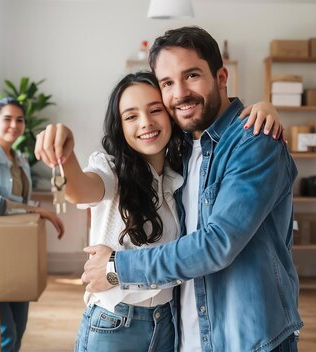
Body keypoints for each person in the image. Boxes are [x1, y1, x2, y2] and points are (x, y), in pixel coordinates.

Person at [80, 26, 302, 352]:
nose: (179, 93)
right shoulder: (183, 147)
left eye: (192, 75)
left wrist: (117, 268)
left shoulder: (254, 140)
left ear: (222, 77)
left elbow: (217, 243)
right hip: (189, 336)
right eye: (167, 83)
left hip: (249, 342)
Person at [35, 71, 282, 351]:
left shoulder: (182, 171)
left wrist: (265, 108)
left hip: (167, 323)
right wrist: (66, 156)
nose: (146, 123)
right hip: (115, 323)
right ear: (119, 126)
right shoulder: (112, 170)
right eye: (131, 116)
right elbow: (79, 188)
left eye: (155, 110)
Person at [0, 97, 64, 352]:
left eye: (19, 120)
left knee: (19, 327)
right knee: (5, 332)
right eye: (7, 119)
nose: (14, 125)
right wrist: (39, 211)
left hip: (15, 252)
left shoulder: (20, 159)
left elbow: (19, 201)